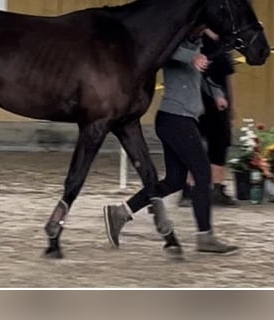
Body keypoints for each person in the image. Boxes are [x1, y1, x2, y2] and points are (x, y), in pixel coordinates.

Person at [102, 30, 238, 255]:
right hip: (176, 119)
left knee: (175, 180)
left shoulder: (196, 47)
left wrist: (217, 94)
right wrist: (192, 58)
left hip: (179, 120)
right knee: (202, 173)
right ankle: (205, 236)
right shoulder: (174, 45)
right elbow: (169, 55)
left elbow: (202, 76)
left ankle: (121, 212)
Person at [180, 28, 238, 207]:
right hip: (201, 98)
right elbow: (193, 73)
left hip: (219, 98)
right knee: (199, 142)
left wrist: (231, 103)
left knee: (219, 142)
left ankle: (215, 187)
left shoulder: (224, 42)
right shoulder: (197, 40)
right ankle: (193, 188)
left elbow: (226, 76)